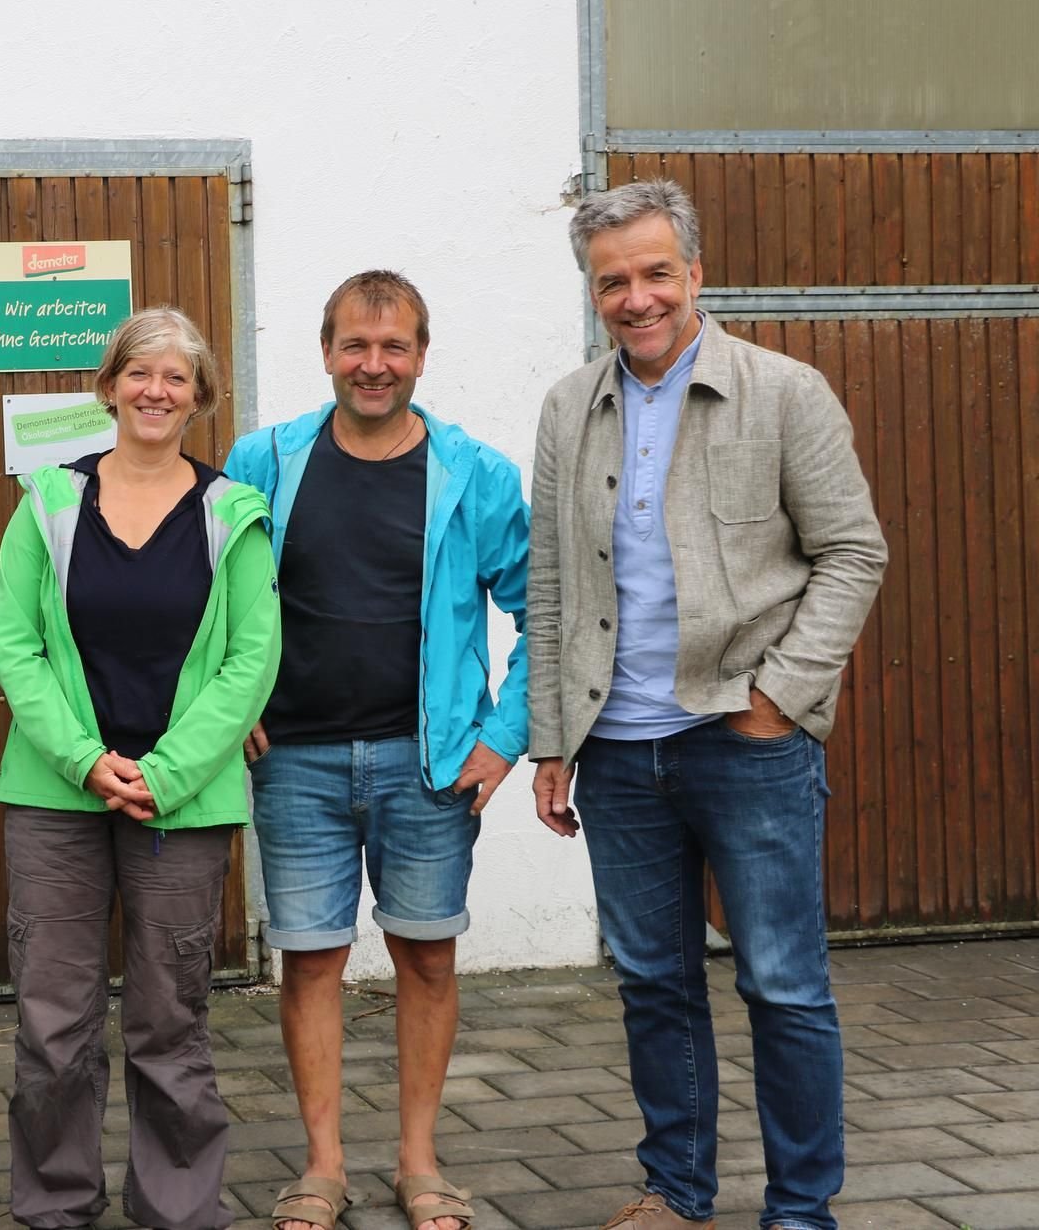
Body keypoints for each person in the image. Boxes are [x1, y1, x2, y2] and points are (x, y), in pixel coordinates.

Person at [529, 180, 888, 1230]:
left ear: (693, 273)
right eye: (611, 282)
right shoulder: (566, 406)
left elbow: (851, 553)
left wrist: (778, 694)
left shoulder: (783, 393)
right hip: (617, 746)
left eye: (652, 273)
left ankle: (799, 1208)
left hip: (746, 743)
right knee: (652, 985)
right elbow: (552, 581)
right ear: (591, 292)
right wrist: (552, 739)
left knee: (780, 984)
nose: (633, 298)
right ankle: (676, 1194)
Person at [224, 270, 529, 1230]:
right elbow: (209, 600)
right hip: (297, 764)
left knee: (427, 959)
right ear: (325, 352)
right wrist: (227, 709)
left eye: (394, 347)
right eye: (355, 345)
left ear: (422, 356)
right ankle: (322, 1167)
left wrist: (504, 735)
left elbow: (543, 610)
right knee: (309, 963)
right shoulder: (265, 460)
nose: (373, 364)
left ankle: (419, 1162)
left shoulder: (474, 474)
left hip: (425, 763)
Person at [0, 306, 279, 1230]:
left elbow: (251, 661)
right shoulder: (46, 501)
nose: (157, 391)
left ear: (200, 398)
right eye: (140, 373)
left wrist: (169, 771)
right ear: (110, 384)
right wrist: (84, 761)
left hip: (180, 807)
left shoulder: (234, 514)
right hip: (56, 797)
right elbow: (15, 645)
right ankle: (55, 1205)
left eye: (178, 377)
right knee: (53, 1023)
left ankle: (179, 1210)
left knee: (170, 1020)